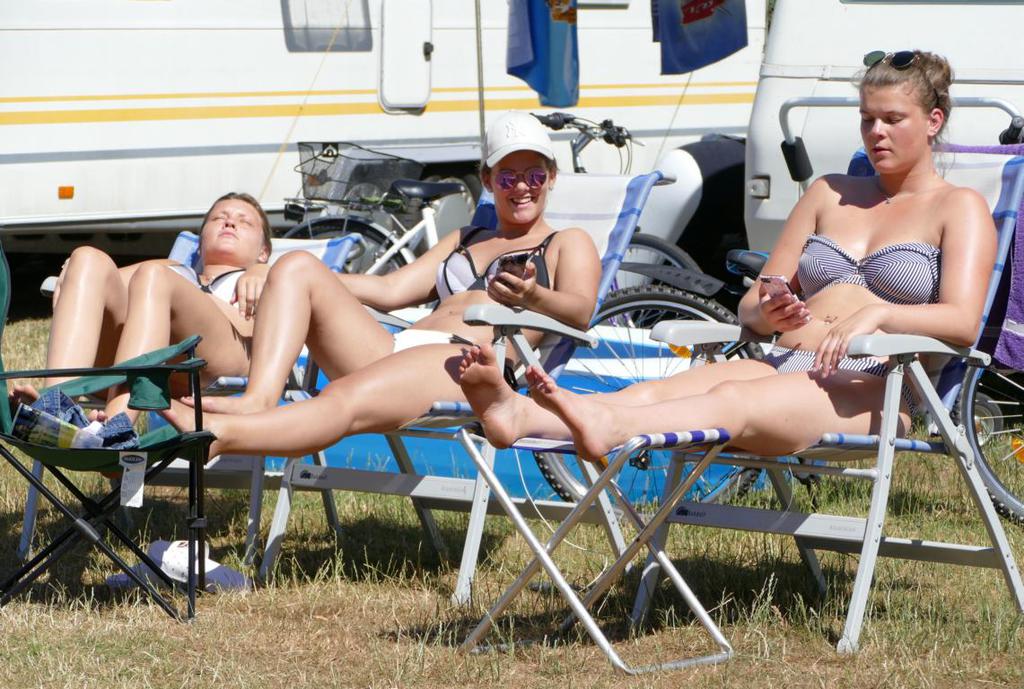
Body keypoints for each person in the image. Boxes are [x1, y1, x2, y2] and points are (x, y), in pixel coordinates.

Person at [458, 50, 997, 461]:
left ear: (933, 121)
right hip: (783, 363)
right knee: (658, 391)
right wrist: (770, 309)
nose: (875, 132)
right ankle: (518, 413)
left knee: (733, 398)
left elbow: (963, 322)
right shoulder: (828, 193)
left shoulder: (958, 207)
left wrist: (878, 314)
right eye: (866, 118)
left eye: (892, 119)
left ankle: (607, 429)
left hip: (877, 384)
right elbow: (751, 310)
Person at [163, 110, 601, 458]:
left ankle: (221, 435)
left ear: (552, 177)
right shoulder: (466, 237)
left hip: (469, 364)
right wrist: (279, 275)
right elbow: (391, 291)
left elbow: (582, 312)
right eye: (508, 176)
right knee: (296, 265)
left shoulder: (566, 242)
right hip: (399, 347)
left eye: (534, 175)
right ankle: (259, 399)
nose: (522, 187)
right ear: (488, 181)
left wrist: (533, 296)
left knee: (341, 399)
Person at [12, 192, 274, 422]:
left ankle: (116, 426)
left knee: (155, 276)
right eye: (218, 218)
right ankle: (56, 408)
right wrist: (75, 271)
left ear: (264, 251)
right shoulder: (172, 269)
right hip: (145, 360)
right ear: (201, 239)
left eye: (245, 222)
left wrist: (264, 272)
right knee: (88, 258)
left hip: (217, 363)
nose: (229, 222)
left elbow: (288, 297)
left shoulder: (269, 277)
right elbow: (102, 284)